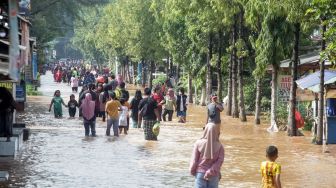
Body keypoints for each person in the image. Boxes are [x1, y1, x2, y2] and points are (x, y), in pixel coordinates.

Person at [190, 123, 224, 188]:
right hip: (214, 175)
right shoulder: (220, 146)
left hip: (200, 173)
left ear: (205, 131)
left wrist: (193, 171)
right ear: (215, 132)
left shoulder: (198, 143)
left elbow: (194, 160)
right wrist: (210, 171)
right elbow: (219, 162)